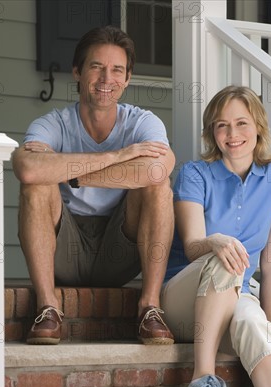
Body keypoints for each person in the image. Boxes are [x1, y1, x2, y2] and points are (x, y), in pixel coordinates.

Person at [12, 26, 175, 346]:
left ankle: (150, 308)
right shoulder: (52, 123)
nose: (106, 79)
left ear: (128, 78)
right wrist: (118, 155)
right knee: (36, 186)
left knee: (159, 187)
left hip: (120, 247)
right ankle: (47, 309)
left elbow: (157, 170)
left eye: (117, 70)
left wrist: (71, 174)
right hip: (65, 247)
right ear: (77, 71)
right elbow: (28, 169)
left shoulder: (143, 122)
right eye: (96, 67)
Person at [161, 86, 271, 387]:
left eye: (241, 123)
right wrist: (216, 240)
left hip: (237, 296)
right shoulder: (194, 174)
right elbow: (194, 245)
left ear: (258, 128)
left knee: (256, 327)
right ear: (212, 132)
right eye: (222, 125)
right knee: (226, 256)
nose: (232, 133)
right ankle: (203, 381)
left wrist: (267, 315)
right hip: (183, 301)